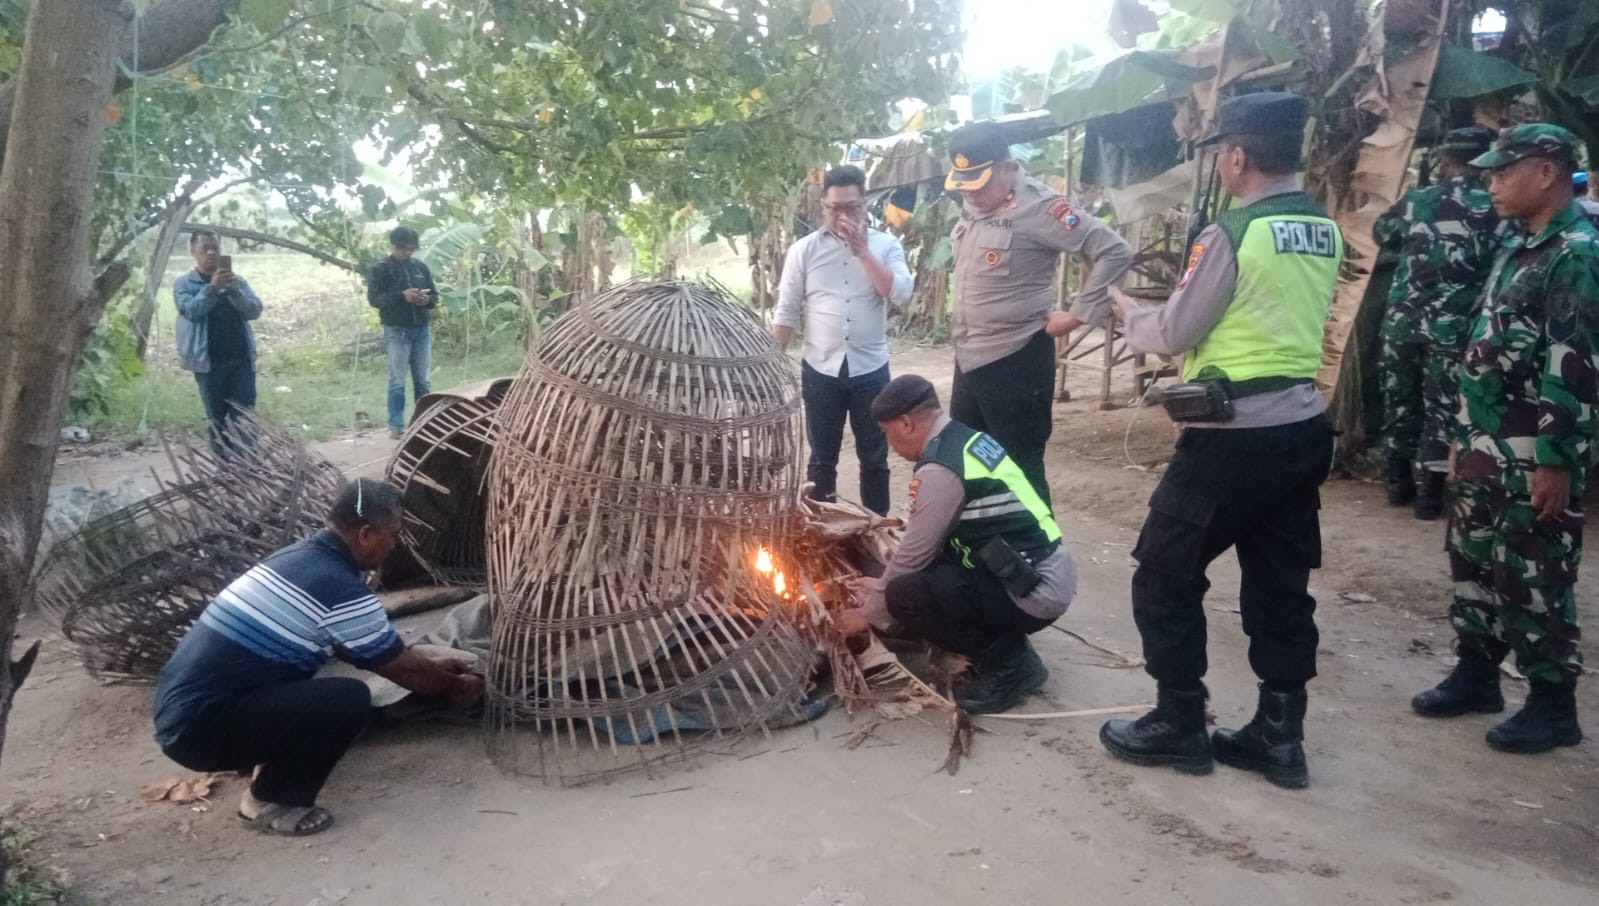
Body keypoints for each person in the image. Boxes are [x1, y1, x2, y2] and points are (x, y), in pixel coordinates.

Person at [1098, 92, 1342, 789]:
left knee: (1163, 571)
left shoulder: (1233, 233)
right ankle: (1278, 733)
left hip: (1231, 436)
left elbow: (1178, 331)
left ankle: (1178, 721)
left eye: (1222, 154)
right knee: (1278, 581)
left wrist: (1132, 316)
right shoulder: (1320, 227)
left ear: (1236, 155)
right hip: (1300, 429)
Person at [153, 479, 485, 836]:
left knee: (307, 671)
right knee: (347, 699)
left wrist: (433, 667)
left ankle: (259, 752)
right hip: (200, 731)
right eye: (393, 533)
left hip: (181, 711)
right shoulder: (340, 587)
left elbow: (374, 651)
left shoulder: (297, 557)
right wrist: (454, 686)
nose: (395, 543)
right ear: (366, 535)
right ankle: (267, 800)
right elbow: (400, 670)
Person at [1411, 124, 1599, 754]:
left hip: (1533, 449)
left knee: (1536, 571)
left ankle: (1551, 704)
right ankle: (1477, 672)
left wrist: (1557, 460)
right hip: (1487, 442)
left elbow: (1573, 363)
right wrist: (1463, 436)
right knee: (1474, 561)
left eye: (1501, 172)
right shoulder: (1518, 246)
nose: (1488, 183)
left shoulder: (1577, 251)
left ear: (1545, 173)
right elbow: (1485, 348)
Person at [834, 375, 1078, 713]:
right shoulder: (966, 440)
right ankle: (1008, 646)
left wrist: (869, 612)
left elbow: (913, 555)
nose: (890, 445)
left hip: (1034, 592)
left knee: (906, 595)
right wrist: (879, 584)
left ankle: (1010, 665)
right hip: (1039, 569)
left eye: (888, 434)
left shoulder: (940, 469)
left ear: (906, 423)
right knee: (928, 578)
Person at [944, 122, 1133, 509]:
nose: (971, 194)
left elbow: (1114, 251)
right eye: (963, 183)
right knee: (969, 464)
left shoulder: (1042, 207)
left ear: (1006, 169)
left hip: (1016, 359)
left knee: (1019, 469)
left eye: (978, 183)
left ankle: (1042, 561)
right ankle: (981, 559)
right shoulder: (974, 203)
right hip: (969, 357)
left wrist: (1081, 314)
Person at [773, 165, 914, 515]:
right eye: (834, 208)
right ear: (823, 206)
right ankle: (820, 538)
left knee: (875, 458)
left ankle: (876, 534)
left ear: (864, 204)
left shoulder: (885, 245)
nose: (842, 215)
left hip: (871, 369)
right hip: (821, 369)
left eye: (851, 207)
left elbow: (899, 293)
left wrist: (863, 251)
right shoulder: (803, 250)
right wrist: (769, 367)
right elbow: (786, 311)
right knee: (822, 459)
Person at [1379, 127, 1501, 519]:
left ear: (1445, 160)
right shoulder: (1493, 207)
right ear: (1486, 162)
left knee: (1400, 399)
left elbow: (1381, 232)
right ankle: (1430, 496)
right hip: (1452, 327)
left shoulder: (1418, 200)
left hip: (1402, 320)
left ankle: (1397, 483)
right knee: (1442, 406)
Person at [175, 230, 263, 454]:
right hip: (208, 363)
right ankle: (224, 469)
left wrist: (235, 292)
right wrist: (212, 288)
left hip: (241, 359)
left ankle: (246, 468)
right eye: (206, 248)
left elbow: (255, 311)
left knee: (244, 416)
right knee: (217, 418)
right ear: (194, 251)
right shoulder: (184, 284)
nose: (212, 253)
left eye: (216, 248)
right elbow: (192, 311)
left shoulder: (237, 281)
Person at [367, 226, 438, 438]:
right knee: (398, 380)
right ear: (395, 246)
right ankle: (396, 426)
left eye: (411, 249)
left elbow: (434, 297)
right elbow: (375, 299)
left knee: (423, 380)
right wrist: (401, 296)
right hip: (397, 329)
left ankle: (424, 422)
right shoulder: (381, 269)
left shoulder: (421, 268)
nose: (408, 253)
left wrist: (426, 300)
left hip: (421, 328)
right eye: (404, 249)